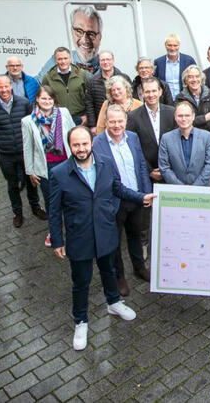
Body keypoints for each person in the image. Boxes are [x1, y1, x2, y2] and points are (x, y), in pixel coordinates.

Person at [48, 125, 146, 351]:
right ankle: (81, 321)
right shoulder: (59, 174)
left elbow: (118, 189)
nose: (81, 149)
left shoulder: (105, 163)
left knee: (109, 271)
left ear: (91, 143)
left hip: (105, 231)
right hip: (79, 237)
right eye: (76, 145)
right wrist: (57, 240)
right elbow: (54, 211)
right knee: (81, 282)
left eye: (84, 144)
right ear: (69, 146)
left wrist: (141, 198)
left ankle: (113, 302)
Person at [91, 105, 155, 296]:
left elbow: (142, 165)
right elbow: (112, 183)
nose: (117, 125)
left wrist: (146, 191)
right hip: (115, 202)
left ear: (126, 121)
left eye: (120, 121)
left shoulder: (132, 137)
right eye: (112, 121)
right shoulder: (98, 144)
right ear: (106, 122)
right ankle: (119, 277)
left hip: (136, 199)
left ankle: (139, 268)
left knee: (135, 235)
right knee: (115, 242)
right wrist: (141, 196)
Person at [0, 74, 41, 228]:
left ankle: (35, 207)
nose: (4, 90)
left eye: (6, 86)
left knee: (31, 181)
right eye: (0, 87)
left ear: (11, 86)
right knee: (12, 184)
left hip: (25, 151)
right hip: (5, 153)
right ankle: (17, 213)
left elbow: (31, 125)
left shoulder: (24, 103)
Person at [23, 85, 75, 247]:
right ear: (37, 99)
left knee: (71, 198)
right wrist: (30, 171)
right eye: (43, 98)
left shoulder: (63, 113)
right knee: (52, 202)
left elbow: (74, 133)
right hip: (45, 168)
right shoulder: (28, 121)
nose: (47, 101)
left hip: (66, 163)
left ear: (54, 100)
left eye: (50, 98)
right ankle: (54, 232)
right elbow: (27, 147)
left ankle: (73, 229)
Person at [176, 65, 210, 186]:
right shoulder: (180, 98)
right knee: (197, 180)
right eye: (190, 77)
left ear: (201, 79)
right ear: (186, 80)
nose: (194, 80)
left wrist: (193, 124)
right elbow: (181, 121)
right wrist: (204, 118)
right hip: (190, 146)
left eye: (197, 76)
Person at [126, 77, 175, 185]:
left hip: (172, 171)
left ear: (160, 91)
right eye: (147, 91)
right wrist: (150, 171)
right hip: (147, 174)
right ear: (142, 93)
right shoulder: (133, 117)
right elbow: (133, 147)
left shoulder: (172, 113)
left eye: (154, 91)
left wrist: (168, 169)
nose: (151, 95)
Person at [158, 101, 210, 186]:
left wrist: (194, 188)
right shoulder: (166, 138)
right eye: (180, 116)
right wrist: (182, 188)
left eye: (187, 115)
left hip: (202, 190)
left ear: (193, 116)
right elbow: (164, 168)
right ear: (175, 117)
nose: (184, 119)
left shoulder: (207, 137)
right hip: (176, 193)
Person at [38, 5, 104, 75]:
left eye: (91, 33)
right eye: (79, 31)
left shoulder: (108, 65)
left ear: (99, 37)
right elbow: (37, 83)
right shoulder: (60, 58)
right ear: (72, 32)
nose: (84, 40)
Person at [85, 51, 131, 134]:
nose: (105, 62)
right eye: (102, 60)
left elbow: (131, 97)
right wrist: (92, 125)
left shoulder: (124, 78)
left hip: (124, 122)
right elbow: (89, 104)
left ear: (113, 61)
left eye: (108, 59)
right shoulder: (92, 81)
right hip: (102, 122)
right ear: (99, 62)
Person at [41, 47, 89, 125]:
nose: (63, 61)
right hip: (58, 119)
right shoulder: (48, 77)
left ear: (70, 59)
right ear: (55, 60)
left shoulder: (81, 74)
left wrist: (86, 116)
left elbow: (89, 97)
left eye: (65, 58)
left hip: (80, 118)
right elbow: (43, 99)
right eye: (59, 59)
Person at [153, 34, 196, 98]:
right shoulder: (158, 63)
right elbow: (155, 82)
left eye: (175, 45)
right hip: (166, 101)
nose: (172, 48)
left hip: (186, 100)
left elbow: (197, 79)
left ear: (179, 45)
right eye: (169, 45)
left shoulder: (189, 61)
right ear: (165, 45)